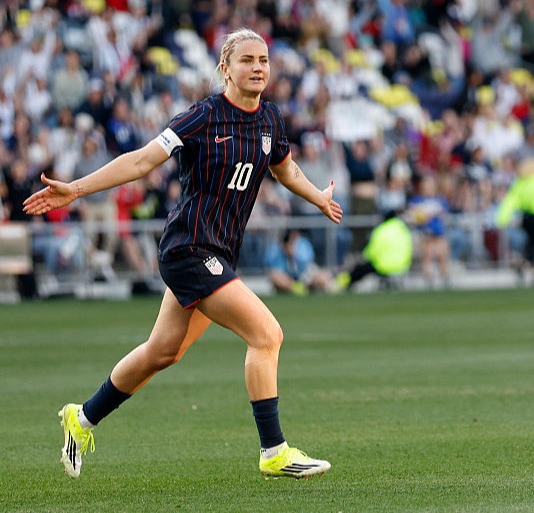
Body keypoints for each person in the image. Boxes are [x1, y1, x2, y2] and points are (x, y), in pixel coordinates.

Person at [23, 28, 342, 478]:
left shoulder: (270, 118)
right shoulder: (203, 116)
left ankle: (82, 417)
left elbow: (284, 168)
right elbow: (141, 160)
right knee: (266, 335)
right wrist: (75, 189)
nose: (258, 68)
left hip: (218, 253)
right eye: (247, 60)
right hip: (188, 248)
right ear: (225, 68)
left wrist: (318, 197)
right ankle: (274, 451)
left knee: (162, 352)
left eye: (264, 60)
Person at [495, 157, 534, 287]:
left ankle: (533, 271)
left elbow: (510, 201)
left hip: (525, 216)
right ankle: (527, 266)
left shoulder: (520, 183)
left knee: (531, 246)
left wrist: (502, 219)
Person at [337, 210, 413, 291]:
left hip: (385, 266)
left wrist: (361, 258)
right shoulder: (403, 229)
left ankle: (340, 283)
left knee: (360, 269)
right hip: (403, 266)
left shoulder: (382, 230)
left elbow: (371, 252)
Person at [264, 229, 338, 295]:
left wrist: (294, 255)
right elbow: (275, 270)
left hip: (305, 276)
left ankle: (329, 284)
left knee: (323, 277)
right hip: (289, 280)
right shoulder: (276, 250)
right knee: (275, 277)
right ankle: (297, 289)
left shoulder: (303, 244)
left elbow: (307, 264)